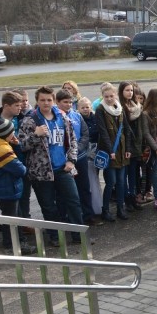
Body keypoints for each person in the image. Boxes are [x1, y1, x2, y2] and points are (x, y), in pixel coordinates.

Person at [19, 86, 84, 245]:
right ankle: (55, 237)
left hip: (63, 169)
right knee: (49, 207)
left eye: (49, 100)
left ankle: (79, 235)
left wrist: (71, 160)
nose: (46, 103)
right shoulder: (30, 120)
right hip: (41, 173)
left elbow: (73, 141)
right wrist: (36, 135)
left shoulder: (62, 118)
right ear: (37, 101)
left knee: (73, 201)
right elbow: (22, 145)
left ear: (53, 101)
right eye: (42, 100)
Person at [56, 89, 94, 226]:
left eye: (70, 102)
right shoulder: (55, 117)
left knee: (84, 187)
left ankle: (88, 214)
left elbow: (85, 134)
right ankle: (65, 218)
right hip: (63, 161)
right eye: (65, 102)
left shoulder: (77, 116)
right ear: (58, 102)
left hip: (80, 157)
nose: (68, 105)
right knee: (64, 192)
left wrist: (76, 150)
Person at [95, 82, 132, 222]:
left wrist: (128, 148)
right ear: (102, 96)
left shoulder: (119, 108)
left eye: (111, 95)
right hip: (109, 151)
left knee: (122, 182)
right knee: (111, 182)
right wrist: (110, 151)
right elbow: (103, 132)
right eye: (106, 96)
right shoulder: (100, 109)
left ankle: (120, 208)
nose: (109, 98)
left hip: (122, 151)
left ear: (115, 95)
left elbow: (127, 129)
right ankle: (105, 210)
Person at [0, 118, 35, 254]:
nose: (14, 134)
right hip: (8, 189)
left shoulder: (1, 144)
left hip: (4, 188)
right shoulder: (3, 150)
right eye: (12, 131)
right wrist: (17, 147)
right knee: (12, 219)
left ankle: (15, 243)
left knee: (11, 217)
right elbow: (21, 169)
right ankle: (13, 246)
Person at [119, 81, 153, 210]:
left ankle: (133, 198)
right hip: (125, 145)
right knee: (124, 175)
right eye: (127, 90)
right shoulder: (119, 107)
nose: (130, 93)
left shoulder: (137, 107)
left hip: (136, 144)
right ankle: (126, 200)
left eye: (131, 90)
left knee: (133, 174)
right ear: (122, 92)